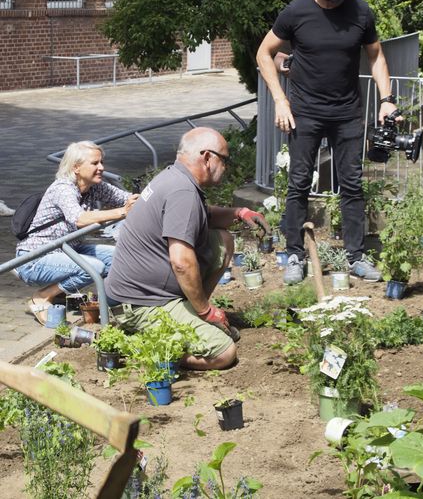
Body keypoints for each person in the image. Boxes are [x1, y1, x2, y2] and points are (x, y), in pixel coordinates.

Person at [256, 0, 400, 285]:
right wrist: (280, 100)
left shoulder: (360, 11)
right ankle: (294, 253)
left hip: (348, 113)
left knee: (351, 184)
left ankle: (355, 257)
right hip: (304, 112)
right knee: (299, 183)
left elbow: (376, 56)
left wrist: (386, 98)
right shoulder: (296, 12)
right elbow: (265, 53)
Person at [105, 127, 268, 371]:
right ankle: (139, 346)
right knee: (224, 353)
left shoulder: (175, 178)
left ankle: (190, 312)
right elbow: (181, 262)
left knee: (223, 241)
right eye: (224, 159)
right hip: (142, 304)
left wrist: (239, 213)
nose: (226, 166)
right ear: (207, 157)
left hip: (144, 293)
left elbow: (201, 215)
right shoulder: (183, 191)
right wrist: (206, 312)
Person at [16, 141, 139, 325]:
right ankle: (42, 296)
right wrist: (122, 212)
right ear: (76, 167)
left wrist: (151, 198)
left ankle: (109, 303)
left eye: (102, 162)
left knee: (117, 256)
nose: (101, 168)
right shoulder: (63, 188)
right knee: (95, 268)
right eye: (95, 163)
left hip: (66, 249)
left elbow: (126, 198)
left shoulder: (94, 186)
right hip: (35, 258)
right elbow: (79, 218)